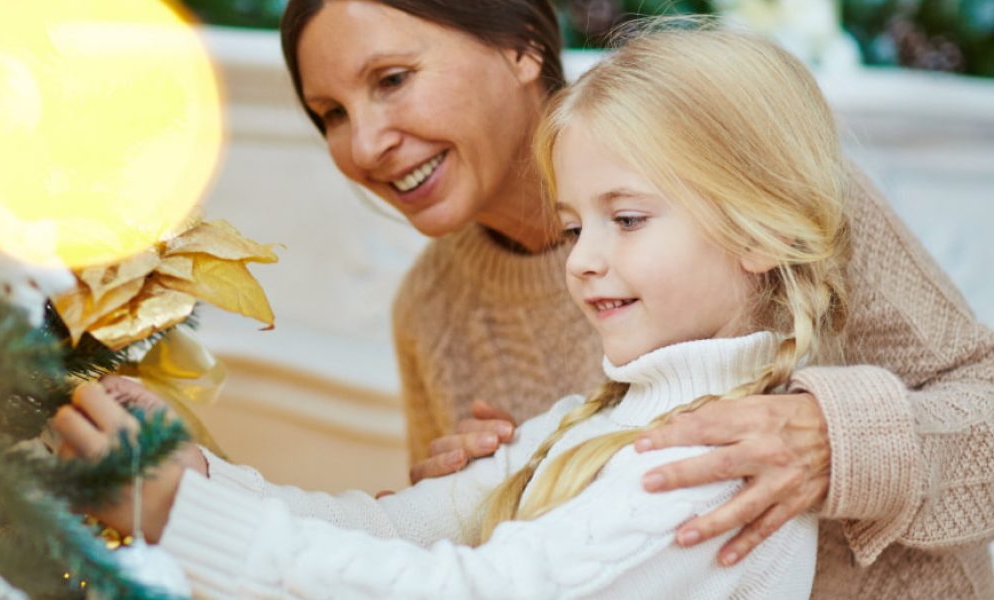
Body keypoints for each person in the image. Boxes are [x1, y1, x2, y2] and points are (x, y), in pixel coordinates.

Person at [55, 24, 860, 598]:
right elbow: (402, 531)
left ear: (759, 233)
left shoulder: (707, 464)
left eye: (628, 219)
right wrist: (195, 478)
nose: (579, 258)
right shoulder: (597, 416)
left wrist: (182, 515)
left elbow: (467, 589)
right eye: (574, 224)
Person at [268, 1, 994, 597]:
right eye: (329, 113)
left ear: (522, 46)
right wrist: (482, 496)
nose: (363, 144)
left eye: (391, 79)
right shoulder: (430, 310)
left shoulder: (743, 176)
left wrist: (837, 442)